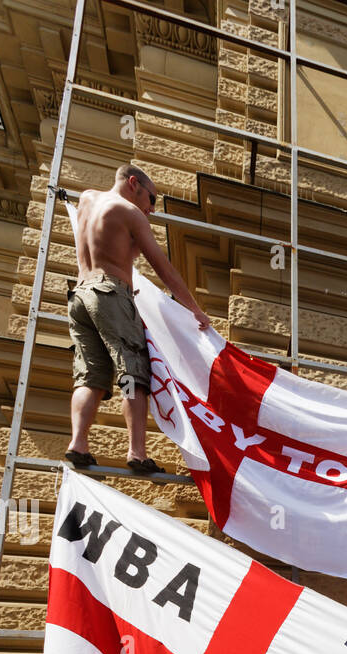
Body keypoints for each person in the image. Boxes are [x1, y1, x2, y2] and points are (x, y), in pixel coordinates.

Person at [65, 164, 211, 475]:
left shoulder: (87, 200)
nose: (152, 209)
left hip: (79, 295)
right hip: (110, 293)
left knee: (90, 375)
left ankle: (78, 443)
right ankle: (137, 451)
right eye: (152, 199)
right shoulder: (129, 213)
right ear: (134, 184)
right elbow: (164, 269)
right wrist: (194, 309)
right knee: (133, 371)